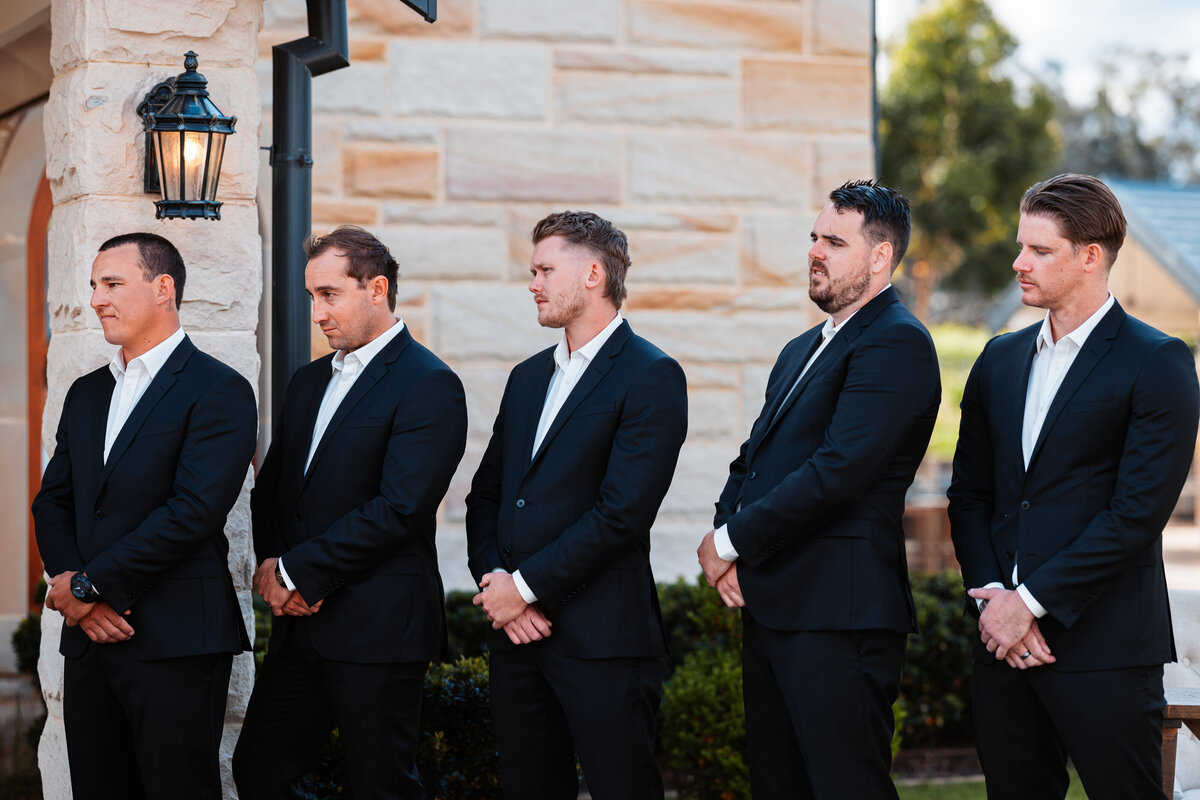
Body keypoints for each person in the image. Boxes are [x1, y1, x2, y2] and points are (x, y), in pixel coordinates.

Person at [947, 173, 1199, 799]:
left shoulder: (1157, 361)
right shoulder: (998, 359)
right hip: (1001, 646)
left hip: (1105, 647)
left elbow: (1136, 514)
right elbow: (970, 497)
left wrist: (1026, 604)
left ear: (1091, 257)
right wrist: (994, 606)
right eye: (1020, 246)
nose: (1019, 263)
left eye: (1040, 250)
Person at [697, 180, 941, 799]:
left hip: (841, 616)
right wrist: (728, 534)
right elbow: (752, 460)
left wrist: (730, 543)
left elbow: (838, 472)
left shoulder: (897, 342)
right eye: (814, 238)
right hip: (775, 608)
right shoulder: (800, 349)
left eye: (835, 241)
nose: (815, 252)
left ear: (880, 256)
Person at [232, 226, 467, 799]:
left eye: (330, 294)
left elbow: (400, 509)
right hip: (299, 626)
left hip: (380, 625)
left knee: (380, 786)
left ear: (377, 289)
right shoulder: (308, 381)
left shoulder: (430, 384)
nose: (318, 311)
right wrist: (272, 563)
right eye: (312, 295)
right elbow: (276, 487)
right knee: (258, 771)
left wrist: (298, 572)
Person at [466, 210, 687, 800]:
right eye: (531, 270)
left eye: (544, 269)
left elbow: (621, 514)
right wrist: (498, 588)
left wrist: (526, 587)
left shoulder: (651, 375)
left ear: (593, 273)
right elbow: (487, 494)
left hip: (603, 642)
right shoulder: (527, 377)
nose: (532, 283)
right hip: (516, 640)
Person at [32, 232, 258, 799]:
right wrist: (73, 592)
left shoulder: (219, 389)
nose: (97, 299)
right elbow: (52, 500)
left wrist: (91, 584)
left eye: (112, 284)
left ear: (164, 288)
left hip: (174, 637)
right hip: (89, 640)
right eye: (93, 286)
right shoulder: (85, 393)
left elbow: (193, 511)